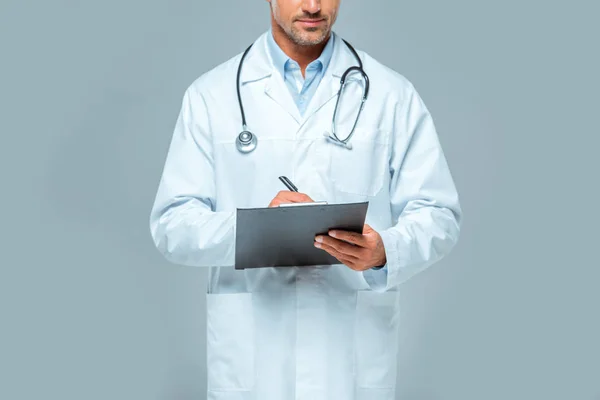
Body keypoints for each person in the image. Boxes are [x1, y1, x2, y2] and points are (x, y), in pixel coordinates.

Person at [149, 0, 462, 399]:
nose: (313, 5)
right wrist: (253, 230)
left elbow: (439, 213)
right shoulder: (211, 96)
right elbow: (171, 225)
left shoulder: (391, 95)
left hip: (347, 353)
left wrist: (384, 251)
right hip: (253, 350)